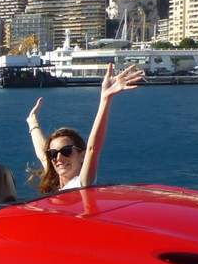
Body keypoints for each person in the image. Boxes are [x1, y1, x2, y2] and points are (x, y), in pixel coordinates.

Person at [28, 62, 143, 194]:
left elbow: (93, 149)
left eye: (66, 151)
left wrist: (105, 98)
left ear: (82, 156)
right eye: (53, 153)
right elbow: (43, 155)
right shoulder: (56, 186)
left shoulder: (81, 184)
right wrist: (32, 121)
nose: (58, 158)